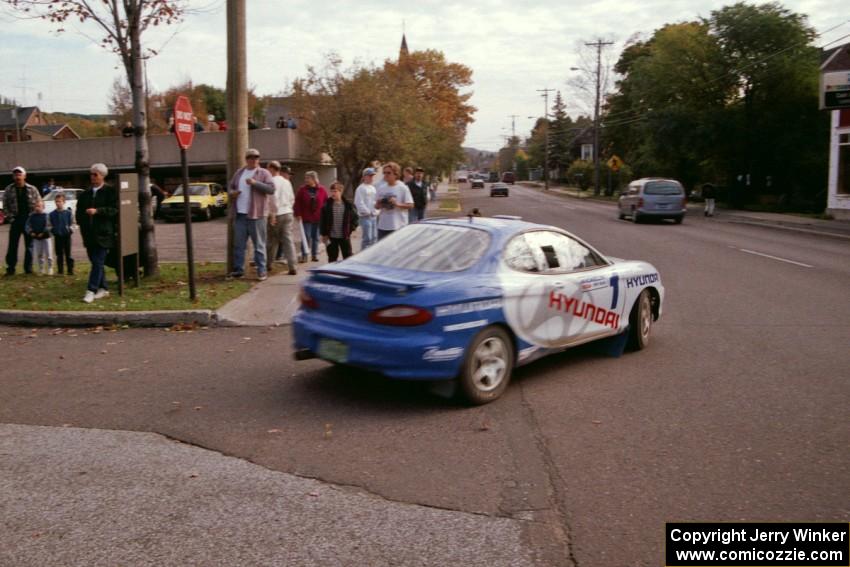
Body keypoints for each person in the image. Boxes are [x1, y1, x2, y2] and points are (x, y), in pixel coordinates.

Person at [227, 148, 276, 280]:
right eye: (251, 157)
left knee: (259, 244)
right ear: (246, 159)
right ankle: (239, 270)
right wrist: (232, 193)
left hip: (257, 215)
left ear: (259, 159)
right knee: (239, 245)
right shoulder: (239, 172)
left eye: (256, 157)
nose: (253, 159)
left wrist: (255, 183)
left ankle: (262, 271)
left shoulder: (264, 173)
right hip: (240, 214)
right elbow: (230, 187)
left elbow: (271, 189)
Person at [76, 163, 117, 303]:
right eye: (91, 174)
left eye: (95, 174)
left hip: (104, 233)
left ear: (102, 176)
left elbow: (114, 210)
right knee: (95, 262)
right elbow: (79, 212)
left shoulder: (110, 192)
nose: (92, 177)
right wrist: (82, 225)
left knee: (98, 262)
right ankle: (103, 288)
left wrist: (98, 211)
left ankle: (91, 290)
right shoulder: (85, 194)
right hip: (89, 234)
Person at [3, 166, 41, 276]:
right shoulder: (9, 189)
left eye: (19, 174)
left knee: (29, 245)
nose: (17, 176)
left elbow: (38, 202)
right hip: (15, 221)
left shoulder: (32, 189)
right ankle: (11, 268)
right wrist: (10, 218)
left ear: (25, 176)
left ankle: (28, 269)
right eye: (15, 174)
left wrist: (34, 217)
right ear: (13, 177)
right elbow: (5, 206)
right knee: (12, 246)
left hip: (29, 221)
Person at [265, 161, 298, 275]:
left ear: (271, 169)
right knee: (288, 240)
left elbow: (273, 198)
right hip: (288, 212)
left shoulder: (271, 182)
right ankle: (292, 265)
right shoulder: (286, 182)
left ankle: (268, 264)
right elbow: (292, 198)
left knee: (271, 240)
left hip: (277, 213)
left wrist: (272, 214)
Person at [293, 171, 327, 262]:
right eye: (306, 178)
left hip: (318, 217)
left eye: (308, 178)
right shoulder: (302, 189)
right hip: (306, 217)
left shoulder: (322, 190)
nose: (306, 180)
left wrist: (325, 215)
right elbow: (297, 203)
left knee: (315, 237)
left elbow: (325, 203)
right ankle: (304, 255)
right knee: (306, 236)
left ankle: (314, 255)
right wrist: (298, 214)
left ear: (314, 179)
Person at [375, 162, 414, 240]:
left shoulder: (402, 188)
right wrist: (379, 203)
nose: (386, 175)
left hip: (398, 226)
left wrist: (397, 204)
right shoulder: (381, 188)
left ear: (396, 174)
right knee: (383, 250)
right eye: (384, 173)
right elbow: (376, 206)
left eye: (388, 173)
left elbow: (411, 205)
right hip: (383, 226)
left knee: (396, 251)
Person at [320, 181, 358, 262]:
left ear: (341, 192)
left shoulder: (348, 205)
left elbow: (355, 218)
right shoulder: (327, 205)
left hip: (344, 236)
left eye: (335, 191)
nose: (333, 193)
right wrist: (324, 234)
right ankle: (331, 272)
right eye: (331, 191)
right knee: (332, 257)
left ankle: (347, 273)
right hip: (332, 236)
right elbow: (323, 221)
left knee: (348, 256)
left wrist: (351, 229)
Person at [353, 167, 379, 250]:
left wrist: (377, 211)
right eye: (369, 175)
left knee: (374, 238)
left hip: (374, 216)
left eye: (372, 176)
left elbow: (376, 201)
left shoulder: (373, 188)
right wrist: (368, 212)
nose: (371, 177)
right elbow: (358, 202)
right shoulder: (361, 188)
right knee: (367, 238)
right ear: (364, 176)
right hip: (365, 217)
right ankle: (363, 255)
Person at [49, 192, 75, 275]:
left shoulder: (68, 213)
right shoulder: (52, 214)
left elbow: (73, 223)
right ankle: (60, 271)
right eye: (56, 201)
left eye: (60, 201)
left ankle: (70, 270)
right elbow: (49, 225)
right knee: (59, 254)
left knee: (68, 254)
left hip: (67, 236)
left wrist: (70, 230)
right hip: (57, 236)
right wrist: (53, 231)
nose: (58, 203)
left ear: (64, 202)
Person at [26, 199, 53, 275]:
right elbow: (27, 225)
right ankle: (41, 268)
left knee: (49, 254)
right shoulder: (31, 216)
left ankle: (50, 268)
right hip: (36, 238)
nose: (37, 208)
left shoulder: (46, 215)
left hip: (46, 237)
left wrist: (43, 232)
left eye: (39, 206)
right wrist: (31, 232)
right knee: (39, 254)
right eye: (36, 206)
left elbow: (48, 225)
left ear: (43, 207)